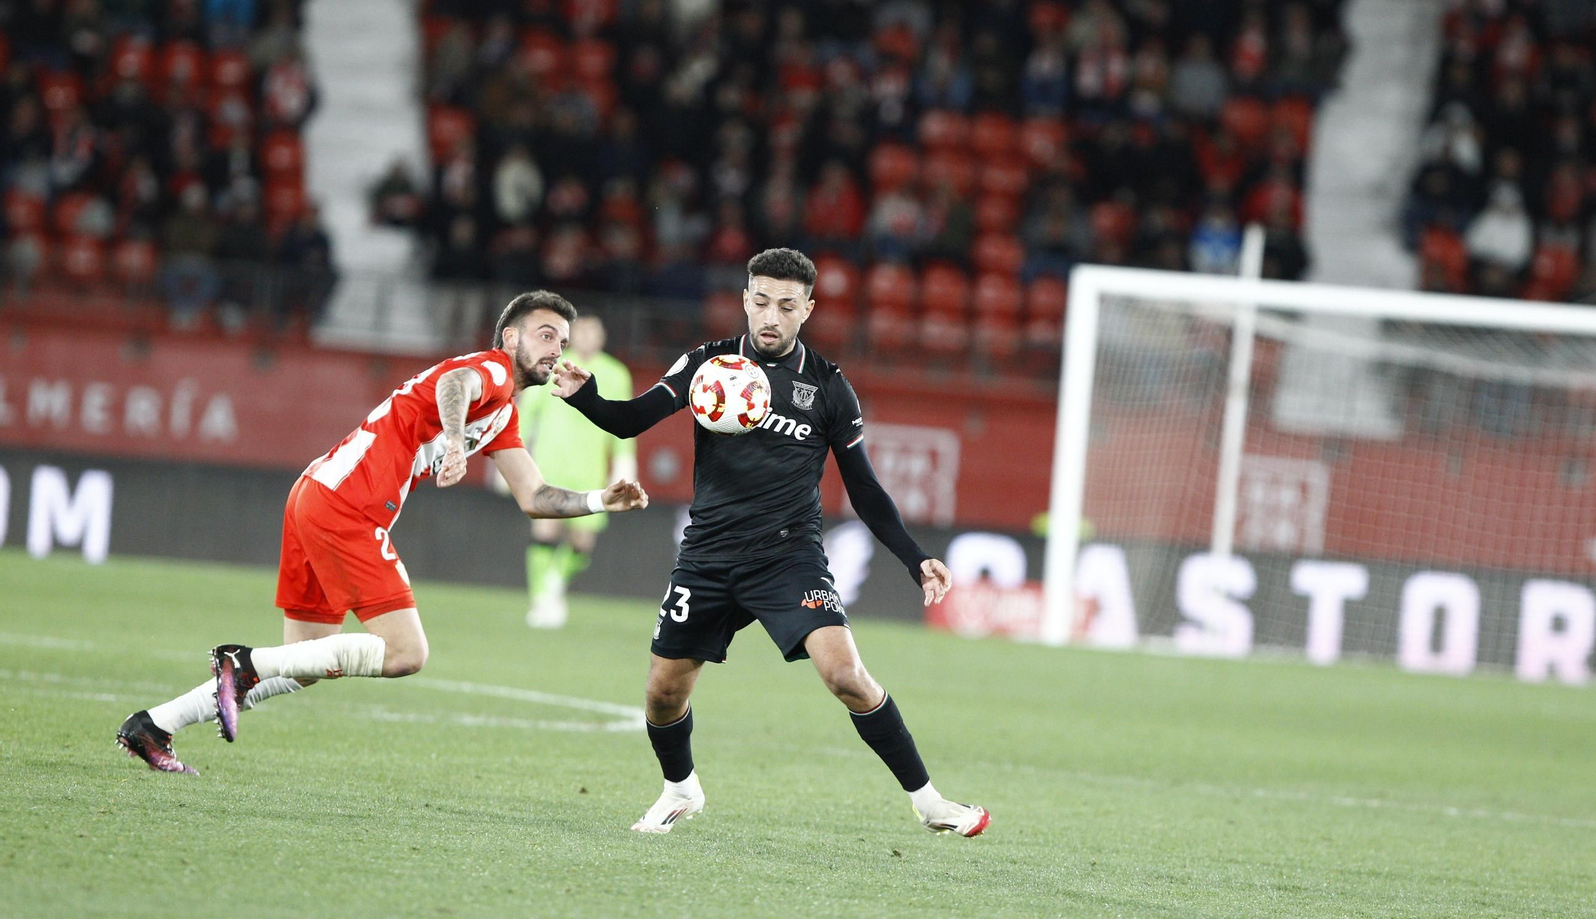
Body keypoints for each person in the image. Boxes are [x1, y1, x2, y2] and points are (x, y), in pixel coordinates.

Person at [552, 248, 990, 837]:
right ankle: (680, 789)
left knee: (845, 674)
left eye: (786, 306)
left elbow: (864, 489)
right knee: (662, 694)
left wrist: (916, 558)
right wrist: (585, 397)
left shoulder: (830, 388)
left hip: (789, 557)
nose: (771, 317)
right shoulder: (707, 366)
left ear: (807, 309)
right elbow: (633, 418)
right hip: (707, 555)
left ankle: (929, 800)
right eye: (761, 301)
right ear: (745, 299)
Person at [115, 291, 650, 773]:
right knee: (404, 654)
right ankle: (242, 662)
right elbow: (452, 384)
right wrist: (459, 443)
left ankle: (155, 724)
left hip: (317, 492)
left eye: (563, 339)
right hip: (349, 505)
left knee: (305, 662)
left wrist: (602, 499)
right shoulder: (492, 370)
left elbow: (535, 497)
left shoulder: (503, 413)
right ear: (511, 338)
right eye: (546, 334)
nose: (557, 347)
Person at [518, 314, 637, 627]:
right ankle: (540, 598)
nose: (586, 337)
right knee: (545, 532)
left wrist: (624, 464)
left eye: (592, 331)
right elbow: (527, 414)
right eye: (580, 331)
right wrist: (514, 460)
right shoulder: (551, 366)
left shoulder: (615, 373)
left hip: (590, 469)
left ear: (602, 336)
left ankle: (555, 581)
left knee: (582, 544)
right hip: (550, 464)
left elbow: (624, 423)